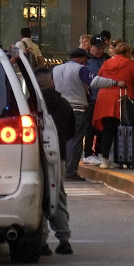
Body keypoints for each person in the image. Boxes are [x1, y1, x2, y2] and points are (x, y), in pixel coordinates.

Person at [37, 80, 76, 254]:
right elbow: (71, 132)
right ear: (52, 83)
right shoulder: (64, 104)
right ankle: (64, 239)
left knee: (39, 197)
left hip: (36, 157)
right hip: (58, 156)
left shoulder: (32, 105)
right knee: (58, 195)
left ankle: (42, 242)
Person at [87, 41, 134, 165]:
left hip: (104, 99)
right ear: (128, 53)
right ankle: (118, 158)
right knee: (120, 128)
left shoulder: (106, 63)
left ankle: (104, 158)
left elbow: (99, 78)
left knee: (107, 129)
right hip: (121, 98)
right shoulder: (130, 63)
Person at [51, 47, 91, 179]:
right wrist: (115, 82)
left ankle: (61, 170)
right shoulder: (80, 69)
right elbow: (95, 81)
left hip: (61, 109)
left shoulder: (56, 69)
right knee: (76, 141)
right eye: (85, 61)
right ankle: (70, 171)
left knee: (63, 140)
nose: (85, 64)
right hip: (78, 109)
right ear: (80, 59)